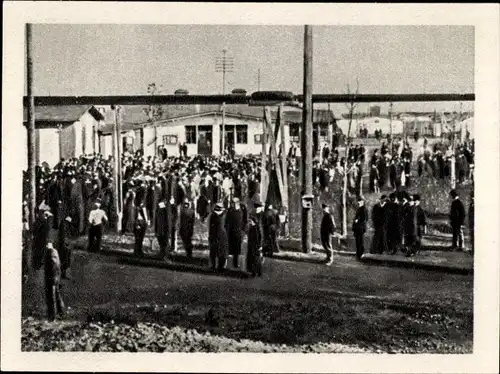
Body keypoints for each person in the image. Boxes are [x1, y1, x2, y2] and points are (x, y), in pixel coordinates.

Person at [44, 241, 65, 321]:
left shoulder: (50, 253)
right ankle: (60, 311)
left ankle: (52, 315)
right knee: (56, 294)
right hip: (55, 277)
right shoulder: (55, 252)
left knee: (51, 296)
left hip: (51, 278)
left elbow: (52, 267)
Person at [225, 197, 246, 268]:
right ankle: (226, 263)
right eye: (232, 203)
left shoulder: (241, 211)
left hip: (237, 233)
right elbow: (227, 222)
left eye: (233, 203)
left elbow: (243, 221)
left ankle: (235, 263)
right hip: (231, 233)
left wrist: (243, 231)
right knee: (229, 248)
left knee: (236, 250)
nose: (232, 204)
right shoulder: (230, 211)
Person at [208, 203, 229, 272]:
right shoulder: (224, 215)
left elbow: (210, 227)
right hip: (222, 236)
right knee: (221, 252)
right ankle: (220, 266)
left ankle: (214, 266)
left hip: (216, 235)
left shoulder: (213, 216)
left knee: (215, 251)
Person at [246, 205, 263, 277]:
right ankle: (257, 272)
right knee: (256, 259)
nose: (249, 222)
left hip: (254, 246)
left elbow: (257, 238)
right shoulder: (254, 227)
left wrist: (259, 246)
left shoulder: (254, 229)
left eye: (250, 221)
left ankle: (254, 272)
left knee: (255, 259)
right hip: (254, 246)